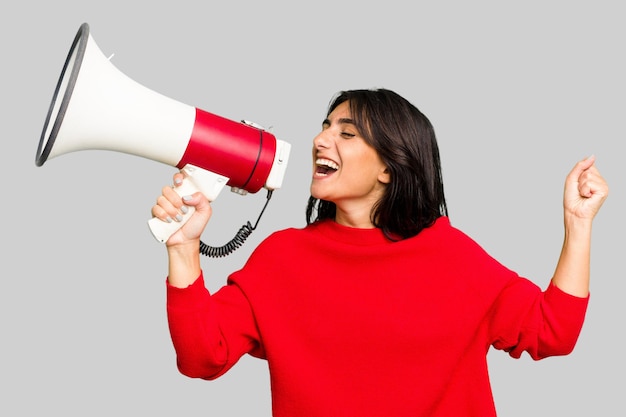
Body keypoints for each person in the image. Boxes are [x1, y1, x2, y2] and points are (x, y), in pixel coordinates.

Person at [151, 88, 608, 416]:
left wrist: (578, 223)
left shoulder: (451, 255)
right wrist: (184, 248)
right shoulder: (282, 258)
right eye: (325, 126)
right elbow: (201, 357)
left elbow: (553, 332)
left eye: (346, 133)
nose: (320, 140)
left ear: (389, 167)